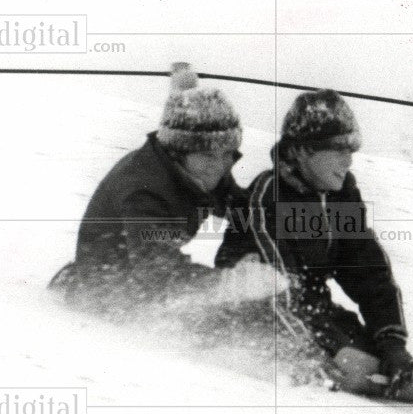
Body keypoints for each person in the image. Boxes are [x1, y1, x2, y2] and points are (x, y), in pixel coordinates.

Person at [215, 89, 413, 402]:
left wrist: (392, 344)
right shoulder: (269, 195)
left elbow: (369, 271)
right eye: (338, 149)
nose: (348, 159)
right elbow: (280, 287)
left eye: (351, 150)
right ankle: (308, 367)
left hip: (311, 305)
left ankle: (351, 362)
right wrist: (322, 350)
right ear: (303, 151)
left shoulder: (342, 196)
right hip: (253, 304)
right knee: (314, 335)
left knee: (370, 350)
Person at [50, 64, 273, 315]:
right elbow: (159, 273)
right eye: (210, 155)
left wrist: (256, 250)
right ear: (178, 153)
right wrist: (231, 284)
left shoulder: (202, 167)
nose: (221, 165)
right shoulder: (144, 192)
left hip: (144, 280)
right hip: (104, 291)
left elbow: (240, 210)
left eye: (227, 154)